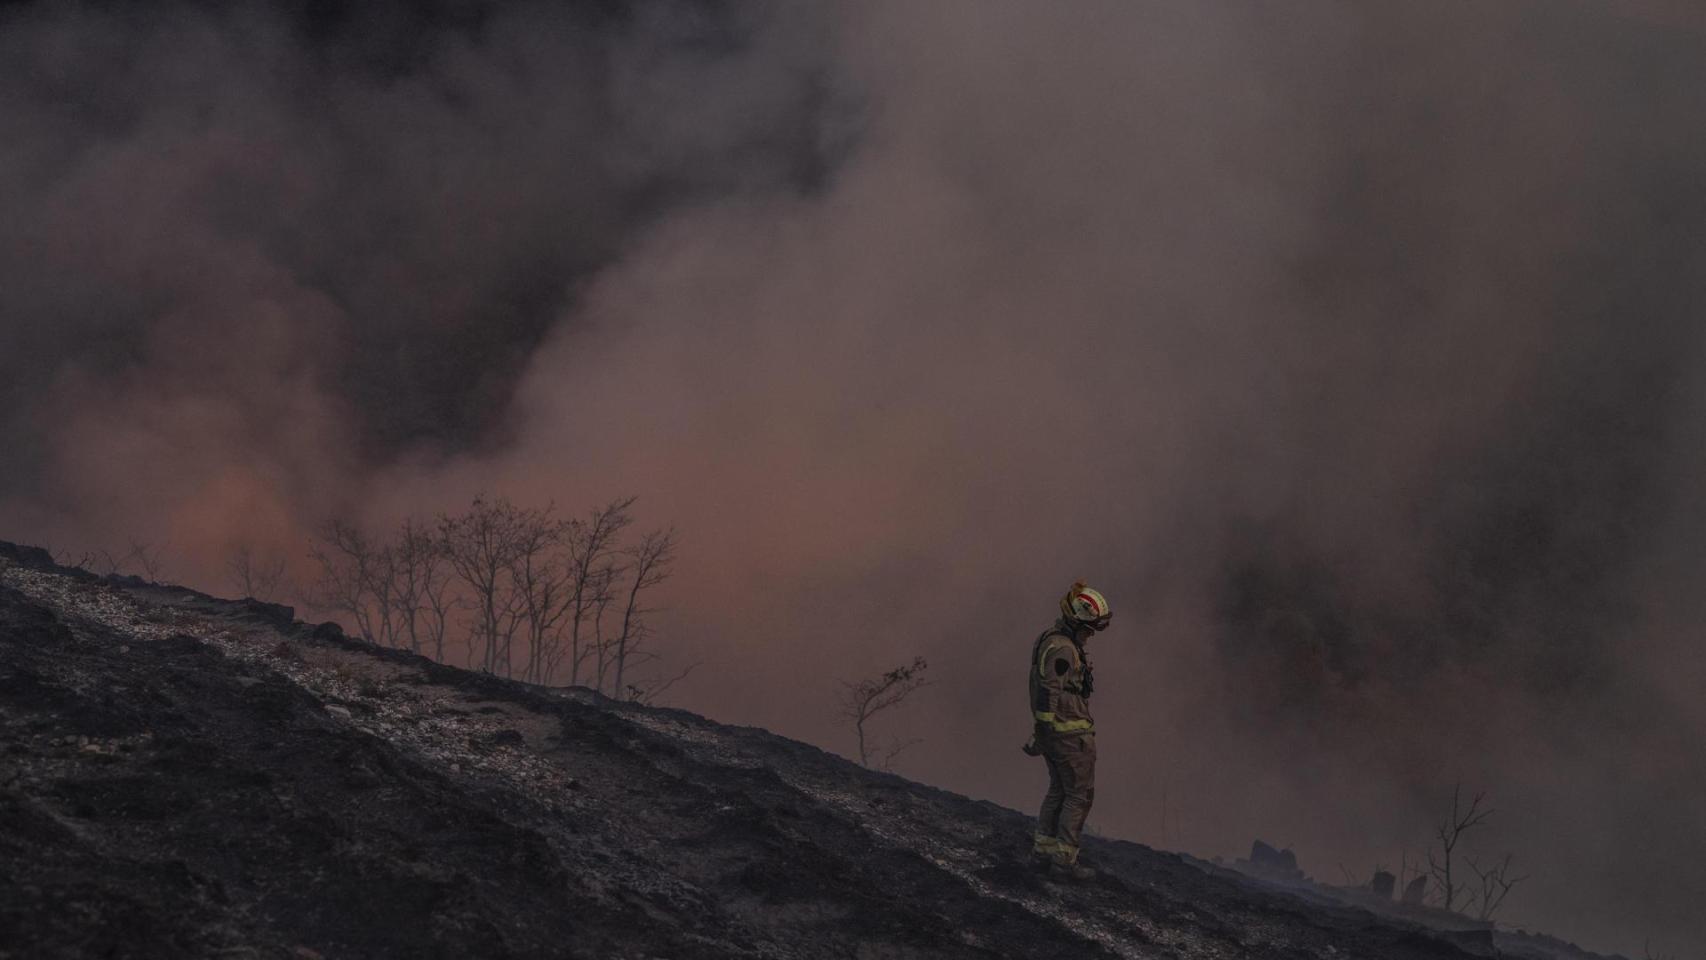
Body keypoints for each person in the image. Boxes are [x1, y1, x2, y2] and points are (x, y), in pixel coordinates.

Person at [1025, 580, 1111, 879]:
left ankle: (1043, 851)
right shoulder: (1063, 649)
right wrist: (1045, 731)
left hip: (1056, 734)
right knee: (1079, 796)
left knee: (1059, 790)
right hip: (1069, 737)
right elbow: (1049, 690)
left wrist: (1042, 735)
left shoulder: (1051, 639)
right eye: (1089, 629)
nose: (1090, 636)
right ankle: (1064, 863)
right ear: (1077, 622)